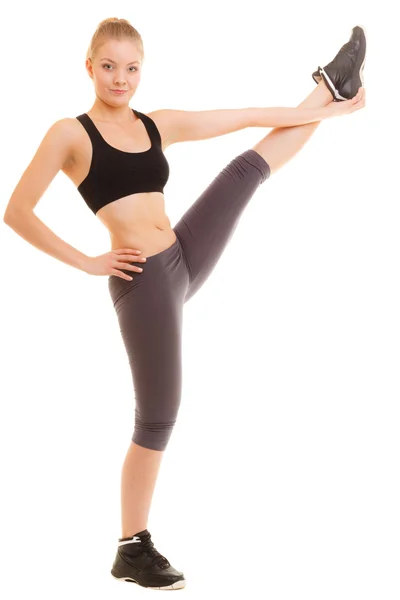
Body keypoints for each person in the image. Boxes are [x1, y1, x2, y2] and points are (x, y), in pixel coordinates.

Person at [3, 17, 366, 591]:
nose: (120, 78)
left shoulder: (156, 124)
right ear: (89, 66)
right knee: (158, 414)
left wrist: (328, 112)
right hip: (141, 279)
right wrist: (90, 261)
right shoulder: (69, 134)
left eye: (131, 68)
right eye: (109, 66)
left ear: (141, 70)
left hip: (183, 256)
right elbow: (16, 212)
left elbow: (245, 117)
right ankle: (132, 546)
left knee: (247, 168)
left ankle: (331, 86)